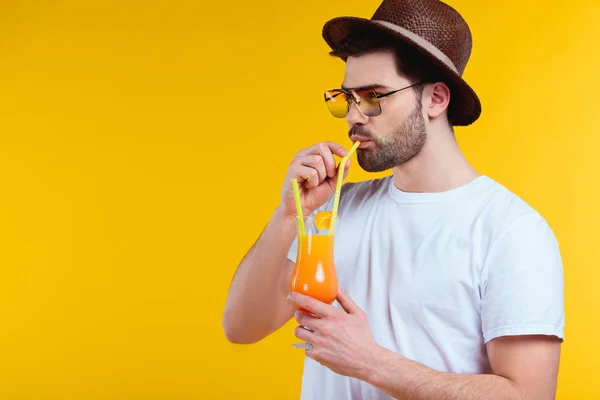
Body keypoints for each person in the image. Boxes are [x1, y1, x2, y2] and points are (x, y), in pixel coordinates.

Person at [222, 0, 565, 398]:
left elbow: (531, 394)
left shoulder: (509, 230)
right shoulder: (336, 209)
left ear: (436, 99)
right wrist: (287, 215)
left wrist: (371, 361)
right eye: (347, 98)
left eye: (373, 96)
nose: (354, 117)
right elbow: (242, 327)